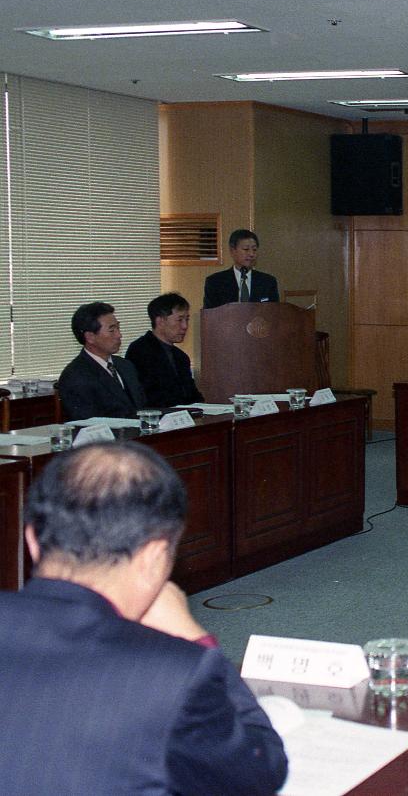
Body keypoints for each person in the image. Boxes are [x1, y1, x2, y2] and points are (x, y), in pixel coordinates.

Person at [0, 442, 287, 794]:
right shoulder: (173, 673)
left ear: (31, 541)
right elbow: (259, 773)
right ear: (154, 557)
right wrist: (194, 637)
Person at [57, 301, 147, 420]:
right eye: (112, 330)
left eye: (118, 328)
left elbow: (143, 407)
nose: (119, 335)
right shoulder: (75, 376)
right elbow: (88, 423)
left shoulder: (125, 365)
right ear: (90, 337)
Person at [125, 292, 205, 408]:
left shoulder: (181, 357)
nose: (185, 326)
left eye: (187, 320)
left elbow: (192, 394)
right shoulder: (140, 350)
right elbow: (147, 396)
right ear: (160, 321)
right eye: (180, 320)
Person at [203, 229, 280, 309]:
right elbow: (209, 316)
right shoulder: (215, 282)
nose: (251, 254)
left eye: (254, 249)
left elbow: (274, 314)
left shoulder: (268, 282)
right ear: (232, 251)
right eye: (246, 249)